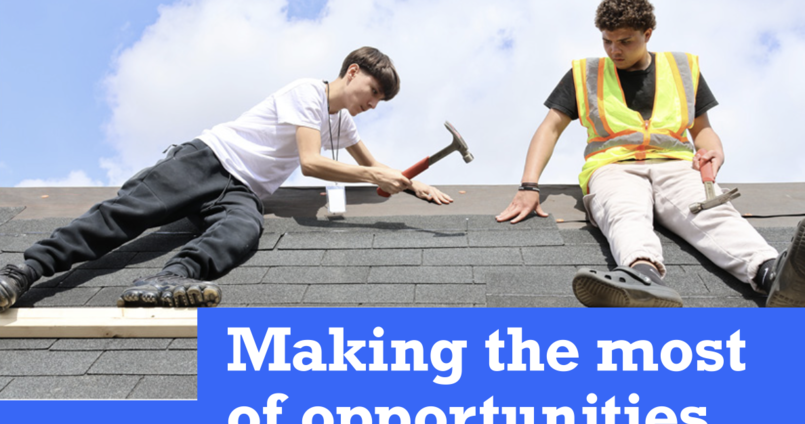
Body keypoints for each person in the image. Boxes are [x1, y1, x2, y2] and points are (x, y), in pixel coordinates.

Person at [0, 47, 451, 311]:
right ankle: (23, 272)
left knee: (244, 229)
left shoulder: (343, 123)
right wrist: (373, 173)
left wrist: (413, 184)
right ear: (352, 72)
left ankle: (166, 280)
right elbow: (312, 163)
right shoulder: (307, 93)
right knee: (124, 215)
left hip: (240, 193)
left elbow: (376, 168)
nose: (373, 104)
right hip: (209, 160)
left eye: (380, 101)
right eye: (373, 92)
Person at [496, 0, 805, 308]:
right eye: (607, 41)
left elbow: (703, 130)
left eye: (625, 41)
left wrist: (713, 152)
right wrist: (529, 186)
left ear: (647, 34)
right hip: (613, 167)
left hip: (676, 164)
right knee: (624, 211)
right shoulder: (585, 74)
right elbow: (549, 128)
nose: (614, 50)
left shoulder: (682, 69)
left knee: (712, 213)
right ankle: (642, 277)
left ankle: (773, 273)